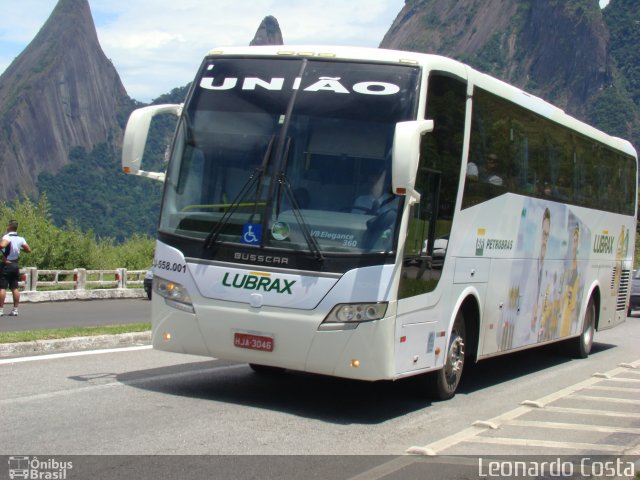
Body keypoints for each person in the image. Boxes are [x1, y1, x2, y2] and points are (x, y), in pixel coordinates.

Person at [0, 220, 31, 316]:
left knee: (2, 288)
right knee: (14, 287)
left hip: (6, 264)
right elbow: (28, 250)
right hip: (15, 265)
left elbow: (2, 245)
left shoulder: (7, 237)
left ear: (9, 226)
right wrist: (18, 248)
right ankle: (15, 309)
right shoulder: (21, 239)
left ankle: (0, 310)